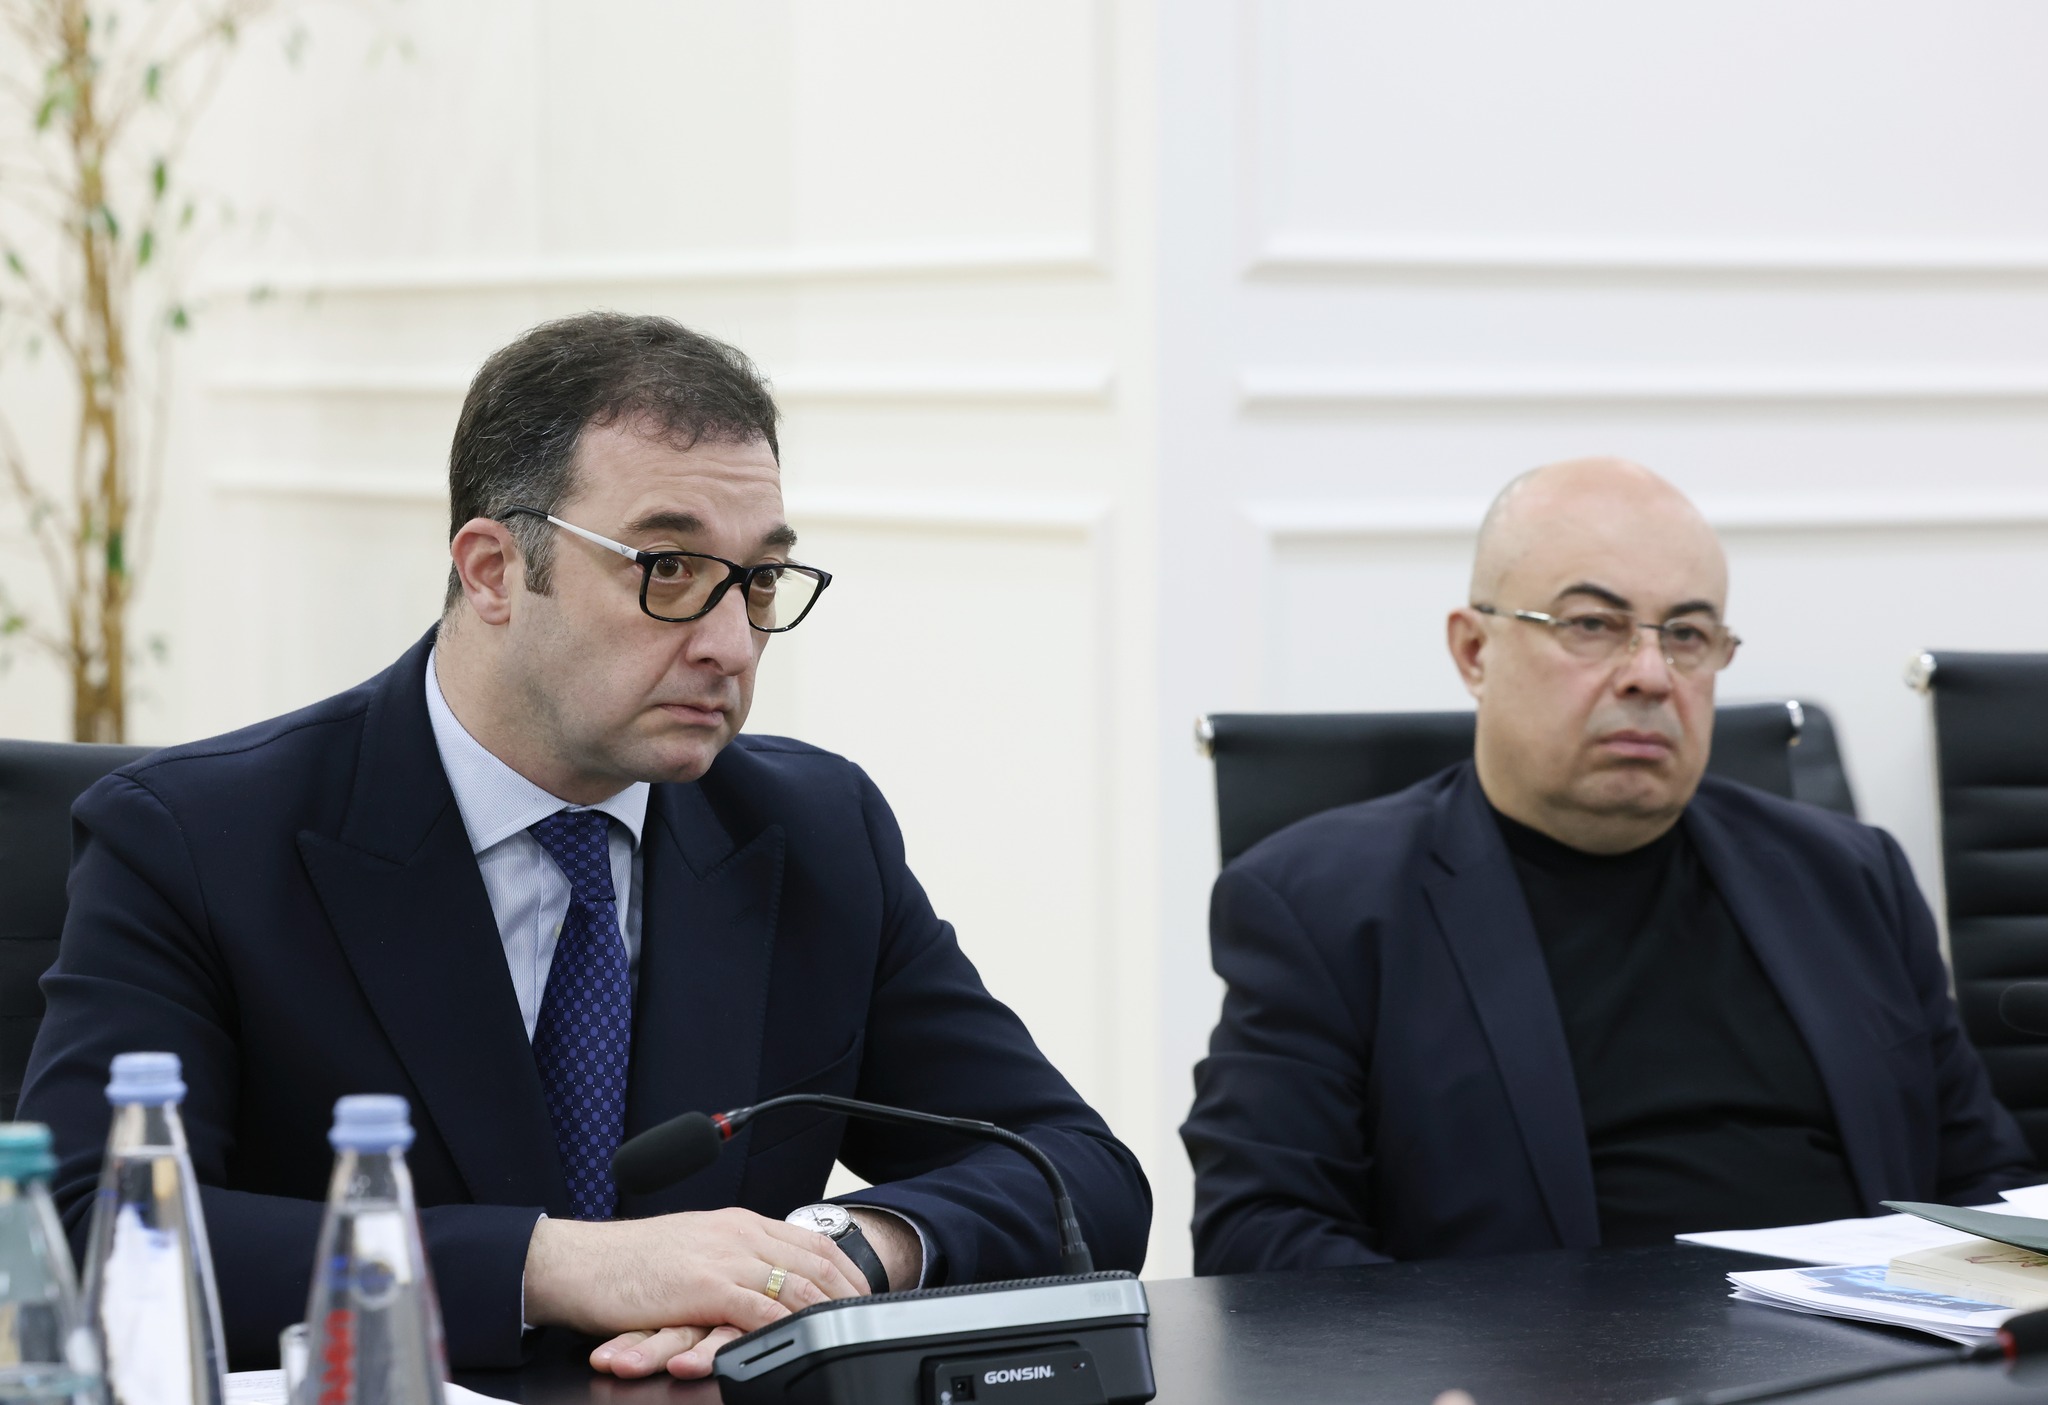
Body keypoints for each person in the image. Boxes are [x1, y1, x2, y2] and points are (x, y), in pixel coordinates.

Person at [20, 313, 1150, 1378]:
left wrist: (843, 1251)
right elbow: (77, 1232)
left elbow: (1077, 1171)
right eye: (668, 569)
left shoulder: (813, 829)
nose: (729, 644)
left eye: (759, 580)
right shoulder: (195, 839)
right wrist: (554, 1264)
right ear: (491, 570)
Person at [1180, 457, 2034, 1274]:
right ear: (1474, 651)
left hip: (1874, 1352)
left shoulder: (1848, 876)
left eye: (1688, 634)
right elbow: (1261, 1233)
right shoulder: (1322, 904)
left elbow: (1983, 1183)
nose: (1651, 675)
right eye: (1592, 625)